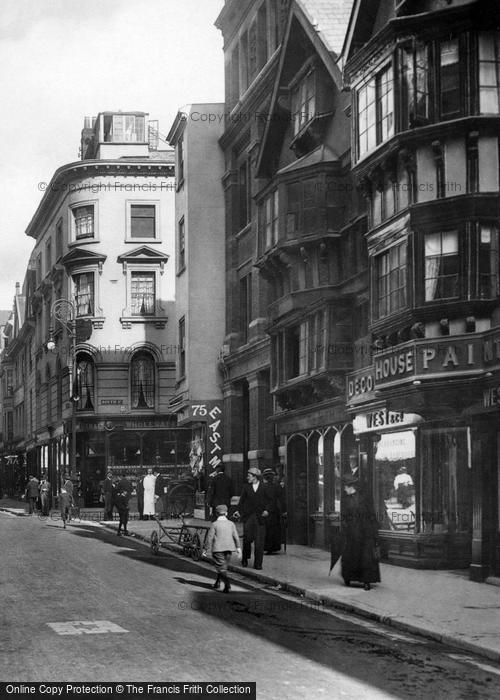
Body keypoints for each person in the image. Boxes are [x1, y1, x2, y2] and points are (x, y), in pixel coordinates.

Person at [341, 473, 380, 591]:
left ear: (349, 486)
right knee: (351, 556)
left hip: (365, 533)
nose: (343, 489)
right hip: (352, 534)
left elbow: (371, 514)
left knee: (365, 558)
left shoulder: (363, 499)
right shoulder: (346, 500)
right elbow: (344, 516)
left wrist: (373, 531)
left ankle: (366, 581)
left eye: (345, 487)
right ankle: (348, 578)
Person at [233, 466, 272, 570]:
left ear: (255, 477)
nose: (247, 477)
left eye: (249, 476)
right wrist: (238, 511)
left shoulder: (264, 487)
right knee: (247, 539)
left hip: (260, 518)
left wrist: (267, 510)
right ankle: (245, 559)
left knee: (259, 542)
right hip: (249, 517)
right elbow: (241, 501)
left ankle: (258, 564)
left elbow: (270, 501)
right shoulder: (246, 487)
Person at [203, 504, 241, 593]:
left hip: (218, 550)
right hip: (229, 549)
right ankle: (217, 583)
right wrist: (238, 548)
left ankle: (227, 585)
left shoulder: (214, 524)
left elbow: (209, 538)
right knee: (223, 567)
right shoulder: (231, 524)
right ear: (226, 513)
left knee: (221, 568)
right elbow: (236, 536)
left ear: (216, 514)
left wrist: (205, 549)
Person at [262, 468, 282, 554]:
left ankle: (268, 547)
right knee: (275, 529)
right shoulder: (277, 486)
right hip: (275, 510)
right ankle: (274, 547)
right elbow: (281, 497)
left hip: (266, 510)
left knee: (267, 530)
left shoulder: (263, 487)